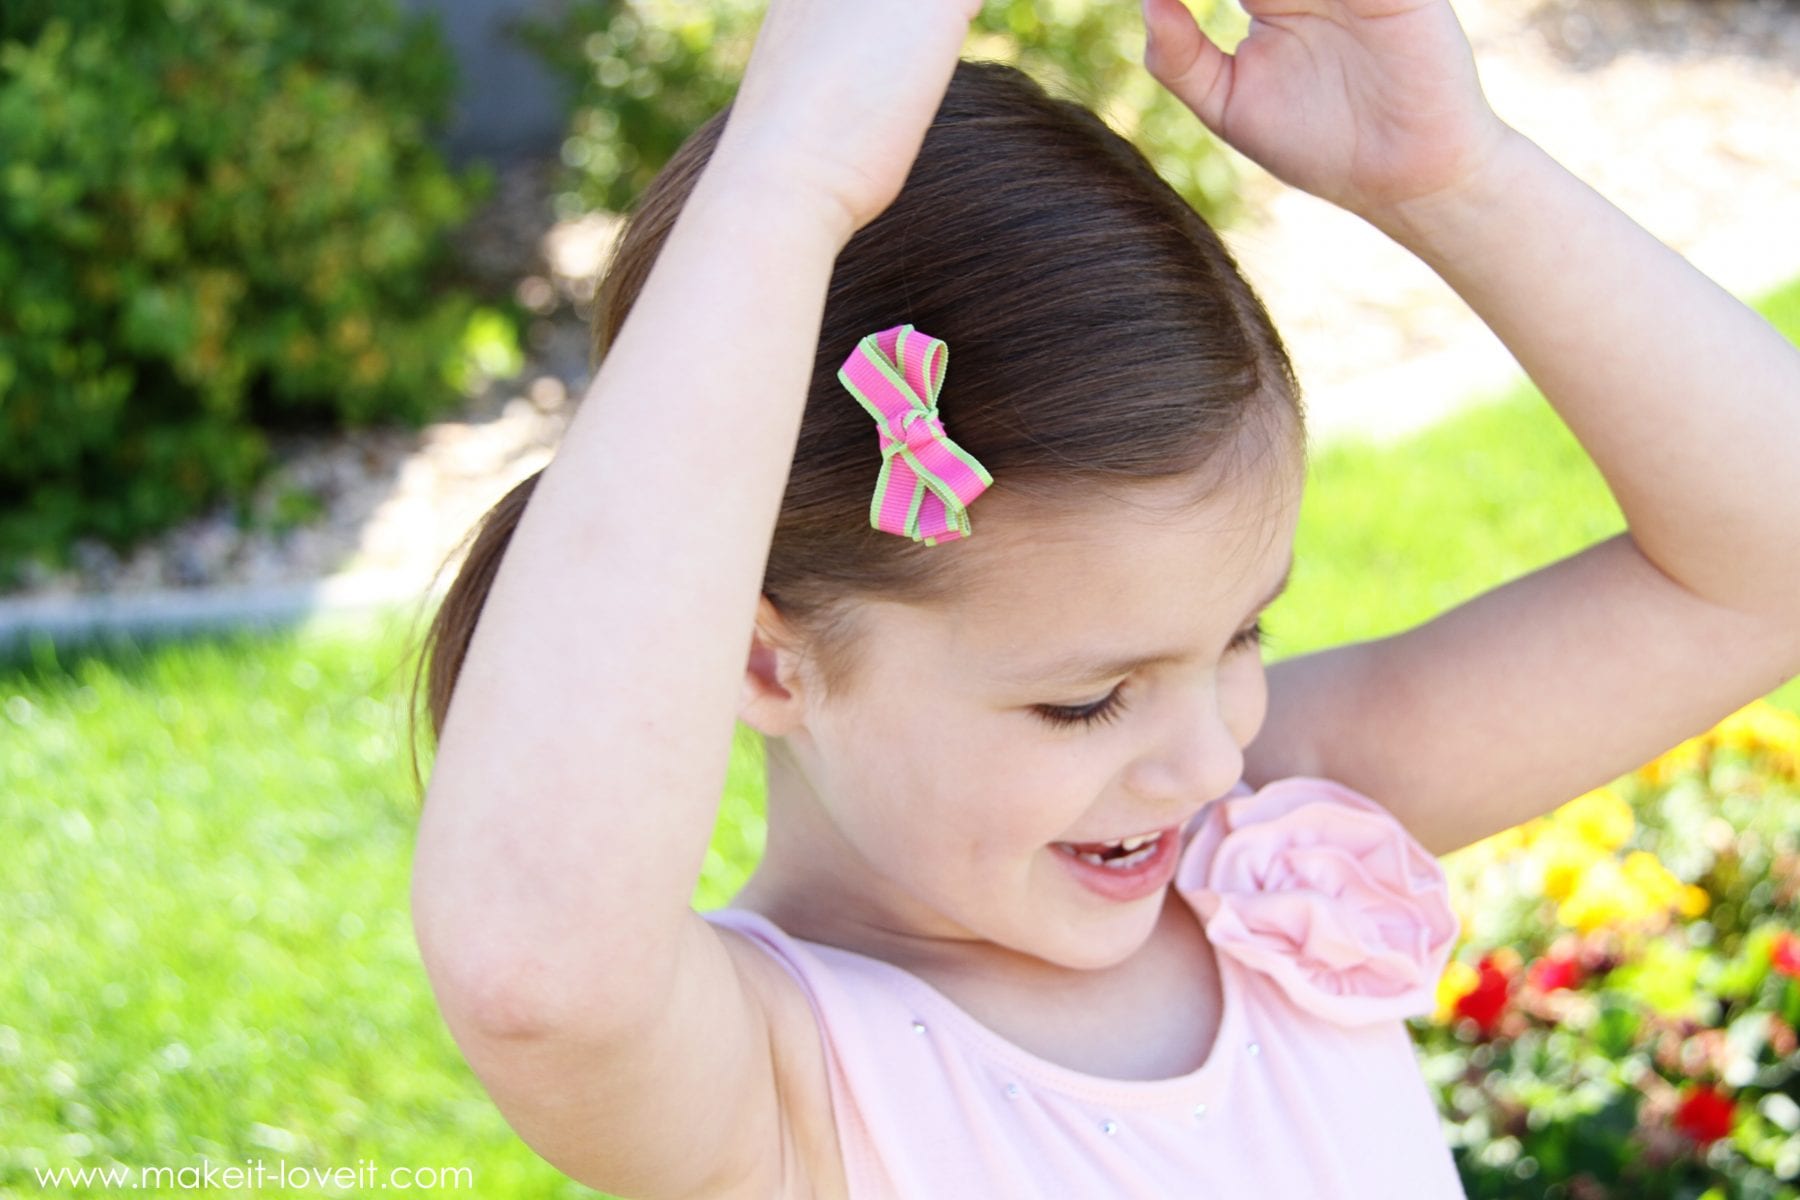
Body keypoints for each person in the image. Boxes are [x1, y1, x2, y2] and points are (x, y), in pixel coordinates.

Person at [405, 0, 1800, 1193]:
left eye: (1241, 634)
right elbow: (542, 974)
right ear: (766, 660)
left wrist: (1452, 176)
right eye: (1086, 701)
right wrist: (787, 179)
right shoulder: (779, 1088)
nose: (1207, 756)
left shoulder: (1261, 835)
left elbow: (1768, 561)